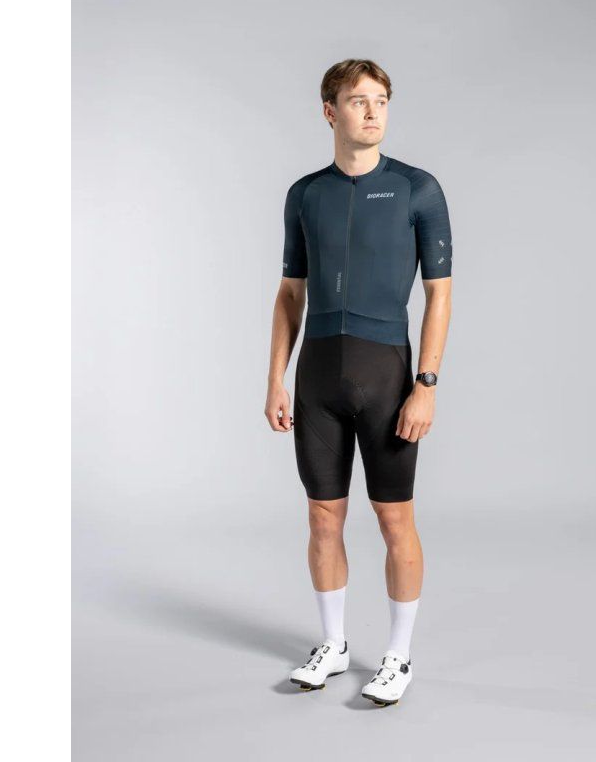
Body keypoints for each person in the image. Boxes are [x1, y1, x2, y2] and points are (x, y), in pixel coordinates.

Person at [265, 58, 453, 707]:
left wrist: (426, 384)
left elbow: (439, 295)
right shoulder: (305, 195)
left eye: (381, 101)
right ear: (330, 111)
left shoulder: (416, 189)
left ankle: (398, 655)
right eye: (357, 100)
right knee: (323, 516)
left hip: (387, 374)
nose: (372, 112)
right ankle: (334, 644)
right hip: (317, 373)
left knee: (394, 518)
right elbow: (290, 293)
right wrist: (276, 379)